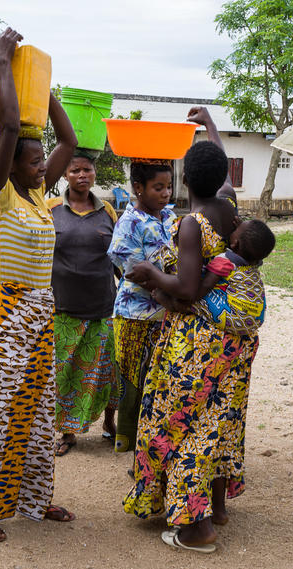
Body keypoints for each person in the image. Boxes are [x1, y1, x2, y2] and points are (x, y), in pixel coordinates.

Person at [123, 106, 260, 552]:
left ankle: (195, 524)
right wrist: (211, 127)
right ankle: (217, 504)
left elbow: (184, 289)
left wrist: (148, 274)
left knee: (177, 421)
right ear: (222, 177)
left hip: (195, 342)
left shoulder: (191, 224)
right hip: (234, 344)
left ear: (183, 179)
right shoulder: (230, 209)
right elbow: (219, 168)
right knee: (222, 417)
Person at [0, 27, 77, 543]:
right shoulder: (1, 194)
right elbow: (8, 126)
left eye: (40, 163)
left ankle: (33, 500)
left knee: (33, 409)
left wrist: (45, 93)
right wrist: (5, 64)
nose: (43, 168)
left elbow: (71, 142)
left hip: (39, 313)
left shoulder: (36, 197)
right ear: (11, 163)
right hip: (4, 312)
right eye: (34, 161)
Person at [47, 152, 120, 456]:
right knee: (67, 373)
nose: (81, 175)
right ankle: (68, 432)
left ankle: (109, 424)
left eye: (87, 169)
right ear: (64, 174)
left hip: (102, 306)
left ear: (94, 173)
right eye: (74, 169)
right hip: (63, 308)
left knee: (105, 372)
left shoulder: (109, 213)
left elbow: (119, 258)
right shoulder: (51, 210)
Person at [106, 158, 175, 454]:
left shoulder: (169, 218)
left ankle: (153, 442)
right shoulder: (129, 223)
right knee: (133, 380)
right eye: (158, 187)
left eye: (169, 187)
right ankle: (129, 442)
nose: (166, 193)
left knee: (159, 379)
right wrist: (172, 287)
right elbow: (135, 271)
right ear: (138, 188)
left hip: (166, 312)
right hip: (136, 315)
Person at [156, 218, 275, 336]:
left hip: (237, 319)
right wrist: (242, 230)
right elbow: (250, 239)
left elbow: (206, 285)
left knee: (196, 286)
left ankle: (175, 305)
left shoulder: (225, 261)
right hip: (255, 319)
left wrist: (187, 300)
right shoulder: (254, 262)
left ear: (235, 243)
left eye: (237, 229)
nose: (234, 228)